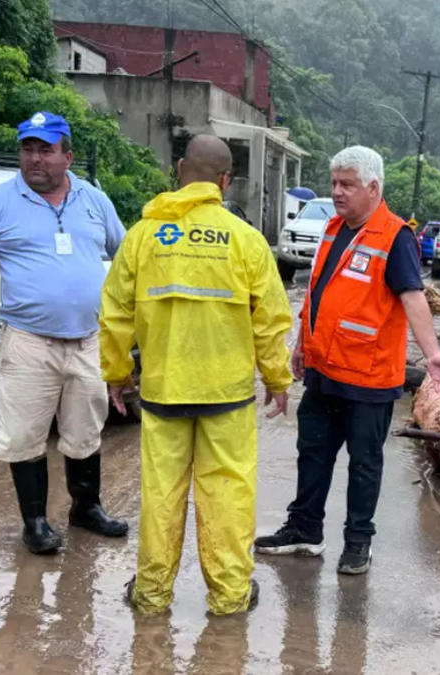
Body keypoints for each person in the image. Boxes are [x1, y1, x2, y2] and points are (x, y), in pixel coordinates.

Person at [99, 134, 294, 615]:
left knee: (161, 496)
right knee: (227, 497)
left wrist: (118, 373)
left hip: (164, 392)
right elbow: (270, 318)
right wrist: (277, 379)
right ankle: (229, 599)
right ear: (226, 181)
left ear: (180, 169)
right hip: (226, 398)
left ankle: (151, 595)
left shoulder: (143, 236)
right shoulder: (245, 240)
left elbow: (115, 313)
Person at [255, 146, 440, 575]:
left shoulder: (395, 237)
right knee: (312, 453)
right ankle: (305, 530)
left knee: (365, 464)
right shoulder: (333, 229)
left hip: (368, 380)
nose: (337, 192)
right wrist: (300, 345)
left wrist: (433, 354)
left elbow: (413, 297)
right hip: (324, 372)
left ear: (373, 187)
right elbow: (318, 293)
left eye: (346, 184)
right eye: (334, 183)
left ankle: (357, 543)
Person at [0, 111, 129, 555]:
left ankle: (86, 508)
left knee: (84, 430)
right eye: (28, 149)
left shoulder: (95, 201)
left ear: (67, 156)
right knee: (25, 434)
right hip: (27, 342)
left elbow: (127, 254)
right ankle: (36, 522)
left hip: (87, 340)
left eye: (46, 149)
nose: (35, 158)